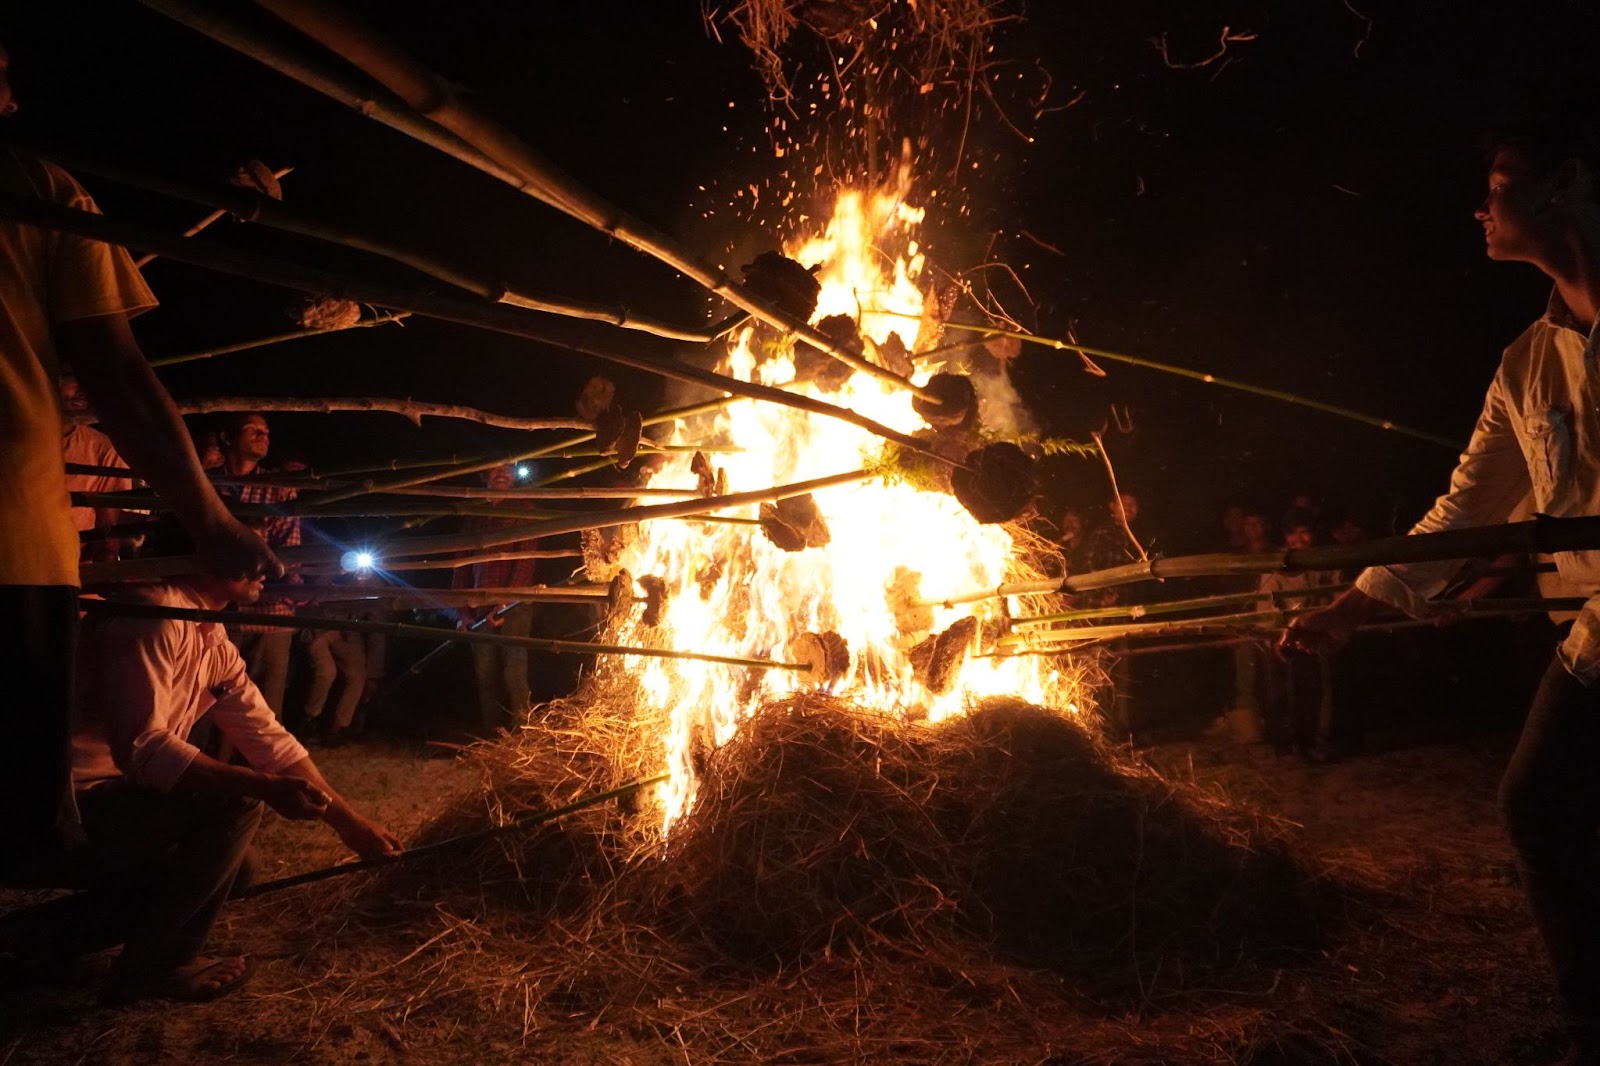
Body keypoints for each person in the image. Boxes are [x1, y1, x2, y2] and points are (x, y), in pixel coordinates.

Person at [1285, 100, 1600, 1063]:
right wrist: (1356, 603)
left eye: (1500, 187)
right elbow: (1466, 510)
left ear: (1570, 186)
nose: (1481, 208)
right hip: (1596, 632)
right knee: (1540, 802)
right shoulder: (1526, 364)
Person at [0, 42, 279, 868]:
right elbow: (116, 370)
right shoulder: (40, 190)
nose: (13, 87)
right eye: (4, 69)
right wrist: (213, 519)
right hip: (10, 544)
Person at [0, 524, 399, 1002]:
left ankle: (24, 941)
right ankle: (156, 966)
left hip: (105, 807)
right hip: (52, 811)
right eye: (250, 549)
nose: (273, 566)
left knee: (237, 869)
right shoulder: (153, 617)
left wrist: (348, 824)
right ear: (203, 555)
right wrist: (266, 787)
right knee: (236, 802)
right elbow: (145, 748)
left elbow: (269, 740)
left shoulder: (206, 633)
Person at [213, 412, 301, 720]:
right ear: (227, 438)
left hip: (269, 614)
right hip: (216, 612)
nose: (263, 436)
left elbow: (289, 551)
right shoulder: (207, 485)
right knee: (211, 701)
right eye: (253, 430)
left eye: (266, 431)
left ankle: (262, 767)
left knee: (262, 708)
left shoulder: (278, 489)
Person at [454, 463, 541, 731]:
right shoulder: (475, 514)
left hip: (513, 604)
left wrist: (504, 604)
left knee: (513, 670)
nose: (501, 473)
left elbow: (525, 559)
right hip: (479, 606)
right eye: (494, 469)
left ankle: (523, 735)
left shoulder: (524, 509)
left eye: (507, 469)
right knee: (485, 672)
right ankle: (495, 736)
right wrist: (463, 613)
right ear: (484, 476)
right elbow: (462, 564)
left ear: (514, 476)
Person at [59, 373, 134, 563]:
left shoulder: (103, 448)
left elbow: (107, 521)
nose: (82, 393)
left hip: (67, 562)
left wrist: (107, 555)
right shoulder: (15, 437)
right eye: (74, 381)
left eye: (88, 385)